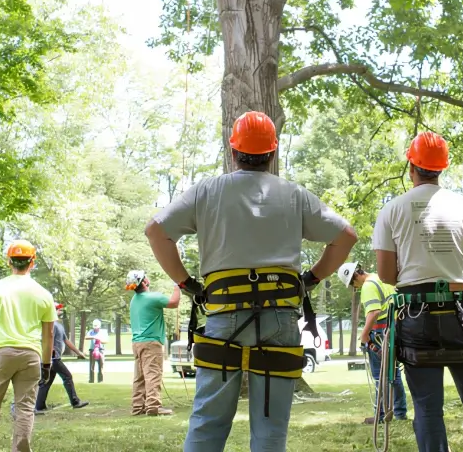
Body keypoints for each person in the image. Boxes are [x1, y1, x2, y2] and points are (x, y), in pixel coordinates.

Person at [145, 110, 357, 452]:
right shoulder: (294, 195)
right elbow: (346, 236)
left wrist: (187, 284)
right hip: (280, 317)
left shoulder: (207, 191)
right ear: (272, 154)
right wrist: (311, 278)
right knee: (271, 432)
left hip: (223, 317)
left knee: (208, 425)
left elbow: (156, 230)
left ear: (233, 151)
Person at [373, 132, 463, 452]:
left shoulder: (393, 210)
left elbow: (385, 274)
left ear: (412, 166)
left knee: (426, 407)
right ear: (441, 168)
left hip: (416, 315)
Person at [0, 240, 55, 452]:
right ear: (32, 262)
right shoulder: (43, 293)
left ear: (9, 261)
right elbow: (49, 333)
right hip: (31, 355)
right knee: (25, 408)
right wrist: (46, 364)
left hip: (0, 353)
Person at [337, 262, 408, 425]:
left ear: (354, 277)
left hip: (380, 333)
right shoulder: (380, 279)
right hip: (394, 330)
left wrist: (364, 335)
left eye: (352, 284)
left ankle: (381, 415)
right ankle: (399, 413)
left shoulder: (368, 286)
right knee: (393, 374)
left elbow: (374, 311)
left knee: (380, 376)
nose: (354, 287)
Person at [126, 270, 180, 416]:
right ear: (144, 282)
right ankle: (153, 406)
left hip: (137, 343)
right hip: (151, 343)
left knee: (140, 376)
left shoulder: (134, 301)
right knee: (153, 374)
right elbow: (174, 302)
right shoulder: (152, 297)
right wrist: (177, 285)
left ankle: (138, 407)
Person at [34, 303, 89, 413]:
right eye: (57, 308)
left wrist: (78, 352)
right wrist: (50, 352)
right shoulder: (49, 324)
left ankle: (39, 406)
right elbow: (45, 339)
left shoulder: (59, 325)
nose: (60, 310)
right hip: (52, 358)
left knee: (46, 381)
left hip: (55, 358)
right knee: (67, 376)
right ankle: (75, 402)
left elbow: (66, 340)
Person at [87, 319, 108, 383]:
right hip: (92, 349)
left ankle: (100, 380)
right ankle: (91, 380)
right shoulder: (91, 331)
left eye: (97, 327)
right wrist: (94, 337)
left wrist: (100, 340)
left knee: (101, 365)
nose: (95, 328)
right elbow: (86, 337)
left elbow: (106, 341)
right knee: (92, 366)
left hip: (101, 350)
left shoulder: (103, 332)